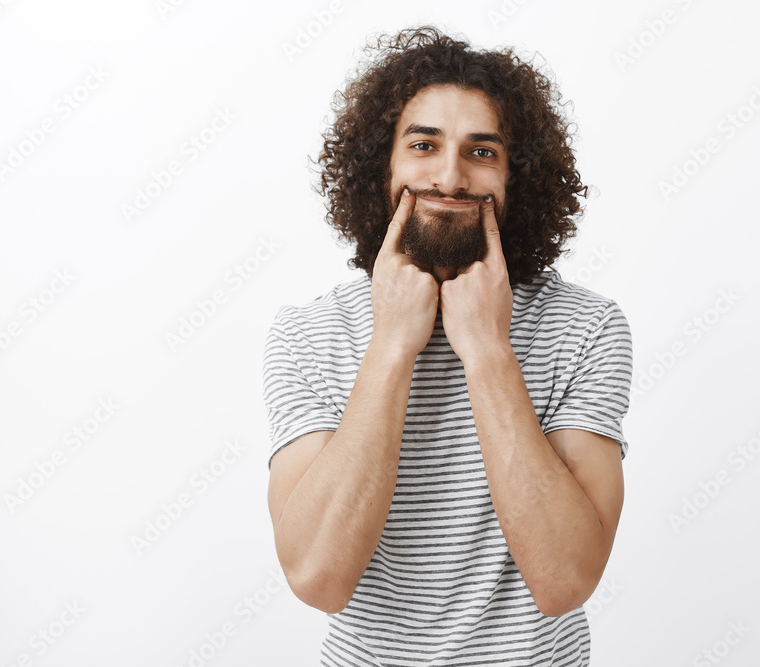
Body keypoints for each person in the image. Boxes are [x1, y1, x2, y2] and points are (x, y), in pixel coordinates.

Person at [264, 24, 632, 666]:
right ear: (382, 165)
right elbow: (318, 578)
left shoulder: (587, 327)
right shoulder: (308, 334)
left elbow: (564, 581)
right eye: (424, 145)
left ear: (518, 176)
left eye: (481, 152)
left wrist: (488, 350)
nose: (451, 177)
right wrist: (390, 346)